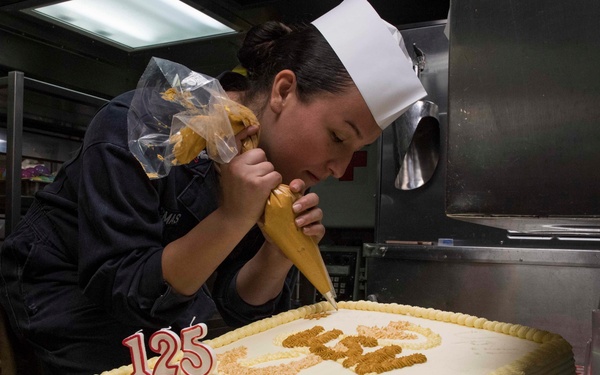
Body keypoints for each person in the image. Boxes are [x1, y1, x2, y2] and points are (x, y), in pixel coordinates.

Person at [0, 0, 426, 373]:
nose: (339, 167)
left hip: (163, 321)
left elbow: (236, 304)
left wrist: (277, 251)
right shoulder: (141, 125)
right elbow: (123, 289)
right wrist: (232, 218)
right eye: (338, 137)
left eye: (357, 150)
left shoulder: (267, 161)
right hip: (61, 296)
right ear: (283, 89)